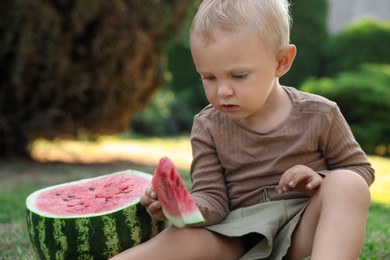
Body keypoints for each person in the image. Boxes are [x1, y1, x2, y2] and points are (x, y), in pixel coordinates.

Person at [111, 0, 375, 259]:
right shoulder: (208, 125)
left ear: (281, 61)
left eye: (239, 76)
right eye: (209, 77)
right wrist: (180, 208)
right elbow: (212, 199)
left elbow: (361, 172)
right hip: (236, 238)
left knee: (348, 183)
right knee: (179, 240)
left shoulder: (321, 114)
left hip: (300, 232)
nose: (223, 91)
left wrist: (321, 178)